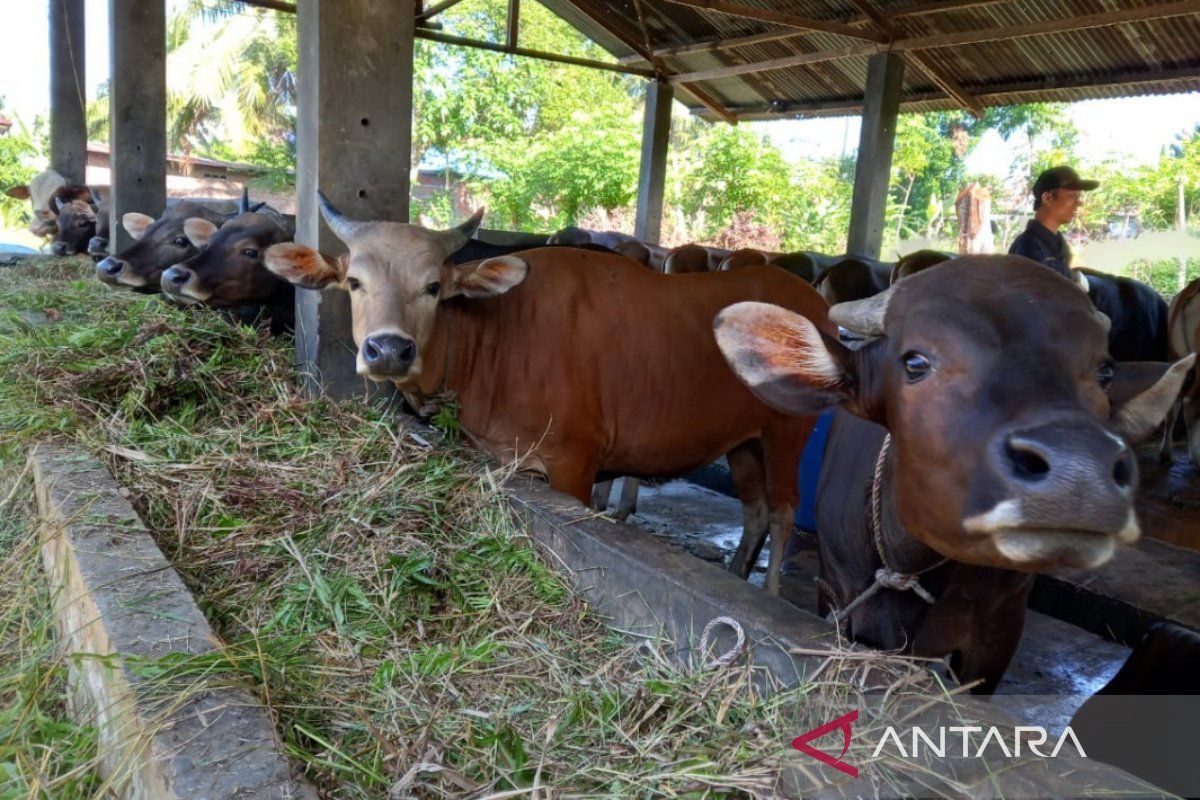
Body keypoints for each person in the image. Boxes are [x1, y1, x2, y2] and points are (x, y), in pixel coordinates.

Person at [1008, 166, 1099, 280]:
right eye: (1072, 196)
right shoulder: (1028, 247)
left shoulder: (1058, 242)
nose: (1079, 203)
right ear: (1047, 198)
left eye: (1078, 197)